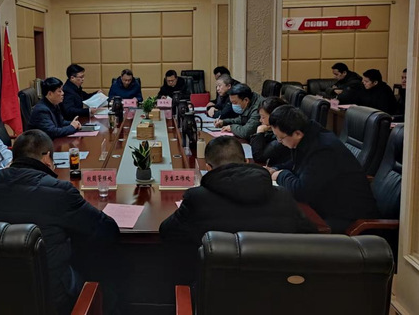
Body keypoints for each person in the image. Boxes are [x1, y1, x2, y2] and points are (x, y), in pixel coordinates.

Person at [0, 129, 119, 314]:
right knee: (107, 285)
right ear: (47, 158)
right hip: (51, 298)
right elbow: (106, 230)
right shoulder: (59, 191)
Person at [159, 136, 317, 246]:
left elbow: (166, 232)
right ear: (246, 161)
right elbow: (311, 235)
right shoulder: (282, 196)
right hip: (274, 281)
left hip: (215, 282)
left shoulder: (197, 199)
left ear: (208, 168)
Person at [268, 105, 379, 233]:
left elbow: (301, 191)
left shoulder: (323, 149)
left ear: (297, 133)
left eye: (280, 138)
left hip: (349, 218)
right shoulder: (309, 137)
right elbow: (297, 164)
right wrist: (275, 168)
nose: (279, 141)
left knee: (286, 225)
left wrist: (280, 175)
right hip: (328, 205)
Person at [249, 96, 291, 166]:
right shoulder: (270, 132)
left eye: (263, 117)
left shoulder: (282, 138)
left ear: (274, 116)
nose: (260, 120)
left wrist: (259, 132)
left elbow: (258, 157)